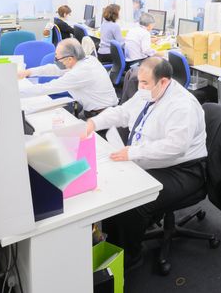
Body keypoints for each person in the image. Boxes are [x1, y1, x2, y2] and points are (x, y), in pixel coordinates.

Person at [87, 57, 207, 268]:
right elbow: (123, 112)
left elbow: (176, 146)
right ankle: (113, 242)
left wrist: (133, 152)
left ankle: (130, 256)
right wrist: (94, 123)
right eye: (139, 81)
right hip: (152, 159)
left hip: (184, 170)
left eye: (145, 83)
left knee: (134, 200)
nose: (140, 87)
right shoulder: (149, 92)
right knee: (114, 186)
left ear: (164, 81)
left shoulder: (182, 106)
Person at [18, 38, 118, 118]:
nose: (56, 61)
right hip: (101, 111)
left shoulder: (78, 73)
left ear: (70, 59)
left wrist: (15, 93)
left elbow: (48, 88)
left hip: (102, 116)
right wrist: (28, 72)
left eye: (58, 58)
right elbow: (55, 69)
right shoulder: (88, 60)